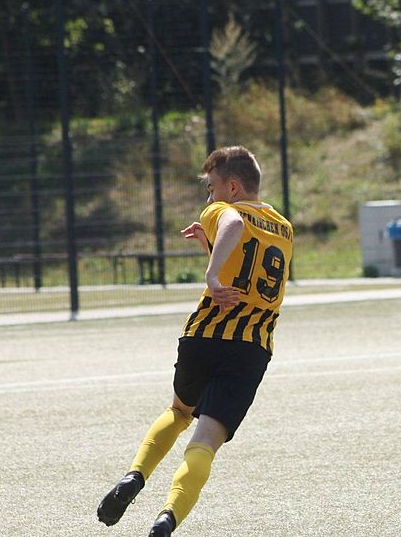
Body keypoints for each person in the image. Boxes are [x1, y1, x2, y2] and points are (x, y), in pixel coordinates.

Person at [96, 146, 294, 536]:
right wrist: (212, 249)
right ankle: (168, 517)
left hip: (204, 334)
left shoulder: (223, 210)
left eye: (212, 188)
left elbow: (234, 225)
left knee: (179, 411)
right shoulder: (284, 227)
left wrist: (211, 274)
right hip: (251, 347)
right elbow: (248, 264)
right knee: (205, 442)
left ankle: (135, 475)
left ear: (232, 187)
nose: (209, 198)